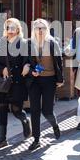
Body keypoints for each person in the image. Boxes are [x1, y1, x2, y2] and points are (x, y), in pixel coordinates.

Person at [0, 18, 32, 149]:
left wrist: (27, 66)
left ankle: (25, 121)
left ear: (18, 29)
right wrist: (0, 69)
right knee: (2, 109)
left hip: (18, 82)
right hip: (3, 83)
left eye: (13, 28)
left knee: (16, 110)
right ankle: (2, 138)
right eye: (8, 28)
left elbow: (28, 60)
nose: (10, 30)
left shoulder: (24, 44)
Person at [27, 19, 64, 151]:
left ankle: (54, 125)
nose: (40, 30)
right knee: (34, 110)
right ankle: (36, 139)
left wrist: (60, 79)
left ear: (47, 29)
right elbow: (26, 63)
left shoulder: (52, 43)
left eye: (43, 28)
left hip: (49, 80)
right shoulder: (29, 43)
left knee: (46, 110)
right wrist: (32, 72)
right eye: (37, 28)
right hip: (35, 81)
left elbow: (59, 62)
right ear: (34, 30)